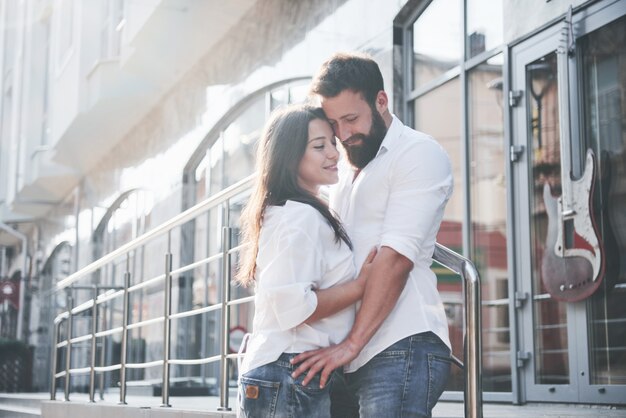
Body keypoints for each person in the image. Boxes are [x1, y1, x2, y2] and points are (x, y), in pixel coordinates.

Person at [291, 52, 454, 418]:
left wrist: (351, 345)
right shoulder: (343, 168)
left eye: (351, 118)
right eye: (333, 124)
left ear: (381, 101)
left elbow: (395, 258)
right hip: (346, 354)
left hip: (400, 344)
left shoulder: (418, 154)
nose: (344, 134)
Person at [236, 104, 376, 418]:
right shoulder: (299, 217)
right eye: (319, 146)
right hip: (288, 372)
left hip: (288, 372)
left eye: (332, 143)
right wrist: (361, 286)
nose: (333, 154)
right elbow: (292, 307)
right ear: (290, 156)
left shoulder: (296, 212)